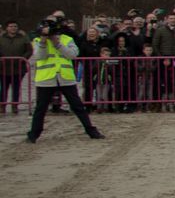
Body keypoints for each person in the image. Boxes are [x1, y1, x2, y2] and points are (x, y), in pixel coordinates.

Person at [25, 15, 103, 143]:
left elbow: (72, 55)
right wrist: (44, 41)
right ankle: (33, 134)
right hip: (46, 79)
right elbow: (39, 56)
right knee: (40, 109)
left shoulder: (67, 39)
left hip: (65, 78)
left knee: (78, 106)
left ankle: (91, 130)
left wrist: (57, 44)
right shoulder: (38, 40)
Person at [0, 21, 30, 114]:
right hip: (3, 68)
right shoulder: (1, 38)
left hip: (19, 68)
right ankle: (2, 105)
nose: (13, 28)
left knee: (16, 87)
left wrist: (23, 58)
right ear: (7, 28)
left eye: (15, 26)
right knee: (3, 87)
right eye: (11, 26)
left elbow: (29, 50)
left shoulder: (23, 38)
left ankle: (15, 105)